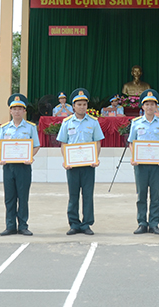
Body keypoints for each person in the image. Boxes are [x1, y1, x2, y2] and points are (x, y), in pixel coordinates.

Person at [57, 88, 104, 235]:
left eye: (84, 104)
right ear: (73, 106)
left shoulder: (93, 122)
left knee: (88, 195)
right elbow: (64, 143)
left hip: (88, 165)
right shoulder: (66, 122)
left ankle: (86, 224)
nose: (82, 107)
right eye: (79, 104)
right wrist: (66, 161)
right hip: (72, 165)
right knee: (73, 195)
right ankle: (74, 223)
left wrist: (95, 158)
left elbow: (97, 142)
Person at [128, 89, 159, 235]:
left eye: (153, 104)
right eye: (147, 104)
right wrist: (134, 157)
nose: (150, 107)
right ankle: (141, 223)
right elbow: (132, 143)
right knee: (141, 195)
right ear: (142, 106)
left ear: (156, 107)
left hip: (156, 165)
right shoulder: (136, 123)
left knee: (155, 195)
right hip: (140, 165)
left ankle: (154, 223)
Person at [0, 93, 40, 236]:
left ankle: (22, 226)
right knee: (9, 197)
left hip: (24, 166)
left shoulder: (30, 127)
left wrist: (30, 157)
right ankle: (10, 226)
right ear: (10, 111)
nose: (17, 111)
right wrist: (1, 158)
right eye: (14, 108)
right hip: (8, 167)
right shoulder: (4, 128)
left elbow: (36, 146)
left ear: (24, 111)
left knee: (23, 197)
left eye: (20, 108)